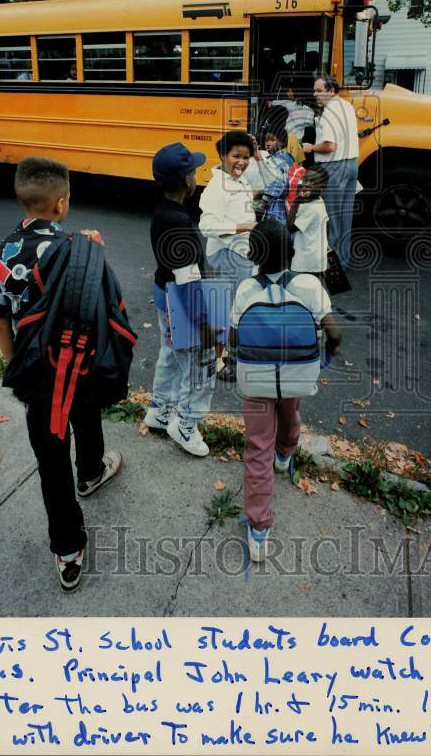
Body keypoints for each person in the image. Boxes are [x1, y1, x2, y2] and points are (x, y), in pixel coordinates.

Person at [0, 156, 122, 593]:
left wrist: (16, 366)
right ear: (61, 203)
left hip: (37, 375)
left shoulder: (0, 255)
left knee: (50, 460)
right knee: (87, 415)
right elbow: (104, 309)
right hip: (82, 365)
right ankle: (92, 472)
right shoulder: (82, 248)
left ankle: (69, 552)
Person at [228, 220, 342, 562]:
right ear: (292, 252)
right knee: (291, 411)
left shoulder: (247, 289)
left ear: (253, 255)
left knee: (256, 445)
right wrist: (326, 357)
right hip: (297, 372)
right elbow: (334, 334)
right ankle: (286, 453)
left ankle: (259, 528)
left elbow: (235, 338)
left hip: (257, 378)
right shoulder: (309, 285)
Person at [146, 143, 217, 457]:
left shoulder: (163, 210)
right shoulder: (179, 224)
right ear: (187, 180)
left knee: (171, 353)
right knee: (201, 365)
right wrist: (205, 327)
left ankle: (160, 411)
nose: (197, 175)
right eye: (194, 171)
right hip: (183, 302)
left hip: (164, 296)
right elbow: (188, 281)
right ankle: (185, 425)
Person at [198, 131, 258, 381]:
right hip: (228, 254)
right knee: (228, 310)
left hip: (241, 253)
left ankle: (228, 357)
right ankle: (220, 361)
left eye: (245, 157)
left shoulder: (238, 180)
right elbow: (206, 226)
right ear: (223, 155)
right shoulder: (215, 188)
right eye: (236, 156)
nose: (241, 162)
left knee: (235, 306)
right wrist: (244, 227)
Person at [303, 76, 359, 270]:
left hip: (334, 167)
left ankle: (333, 267)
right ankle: (343, 261)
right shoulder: (347, 106)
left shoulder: (329, 113)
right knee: (345, 216)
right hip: (352, 164)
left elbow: (329, 146)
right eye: (314, 90)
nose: (314, 94)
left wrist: (310, 147)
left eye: (319, 91)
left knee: (332, 218)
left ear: (331, 91)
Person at [288, 165, 330, 279]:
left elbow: (290, 228)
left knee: (303, 290)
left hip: (306, 261)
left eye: (312, 182)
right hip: (316, 257)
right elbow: (327, 225)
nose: (306, 184)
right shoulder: (319, 201)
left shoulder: (312, 208)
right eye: (305, 180)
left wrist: (295, 203)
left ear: (322, 188)